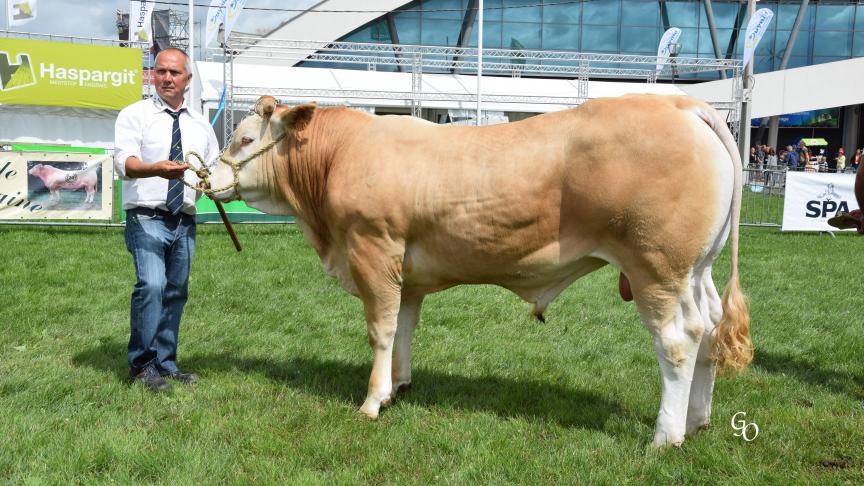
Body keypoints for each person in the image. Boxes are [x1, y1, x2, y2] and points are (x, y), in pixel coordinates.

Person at [114, 47, 220, 392]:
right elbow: (125, 163)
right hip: (145, 216)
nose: (167, 78)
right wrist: (155, 169)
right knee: (153, 286)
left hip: (184, 219)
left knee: (175, 292)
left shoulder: (200, 124)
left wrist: (212, 183)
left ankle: (165, 363)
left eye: (174, 73)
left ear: (187, 80)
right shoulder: (135, 114)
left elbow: (211, 167)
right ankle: (141, 366)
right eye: (161, 71)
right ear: (153, 76)